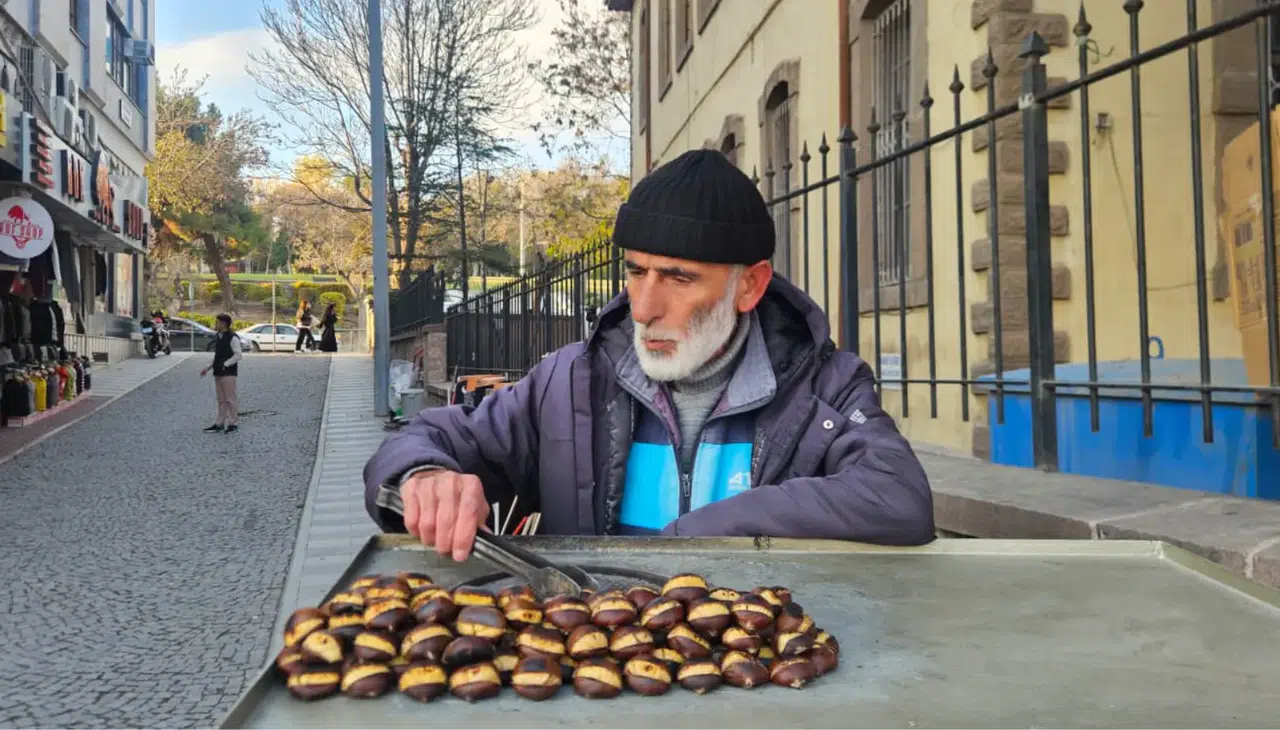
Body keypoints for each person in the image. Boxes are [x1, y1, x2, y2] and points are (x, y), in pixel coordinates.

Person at [363, 149, 934, 561]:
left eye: (679, 278)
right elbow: (423, 440)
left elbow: (898, 496)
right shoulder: (567, 382)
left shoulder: (827, 388)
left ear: (750, 286)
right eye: (635, 272)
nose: (643, 307)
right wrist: (424, 475)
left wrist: (699, 536)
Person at [200, 313, 242, 434]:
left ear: (224, 324)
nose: (215, 324)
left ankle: (233, 423)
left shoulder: (233, 337)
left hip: (228, 373)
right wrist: (207, 368)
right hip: (218, 372)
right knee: (221, 400)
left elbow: (238, 355)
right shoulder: (218, 336)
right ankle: (219, 423)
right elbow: (217, 355)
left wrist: (226, 364)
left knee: (231, 399)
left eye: (217, 322)